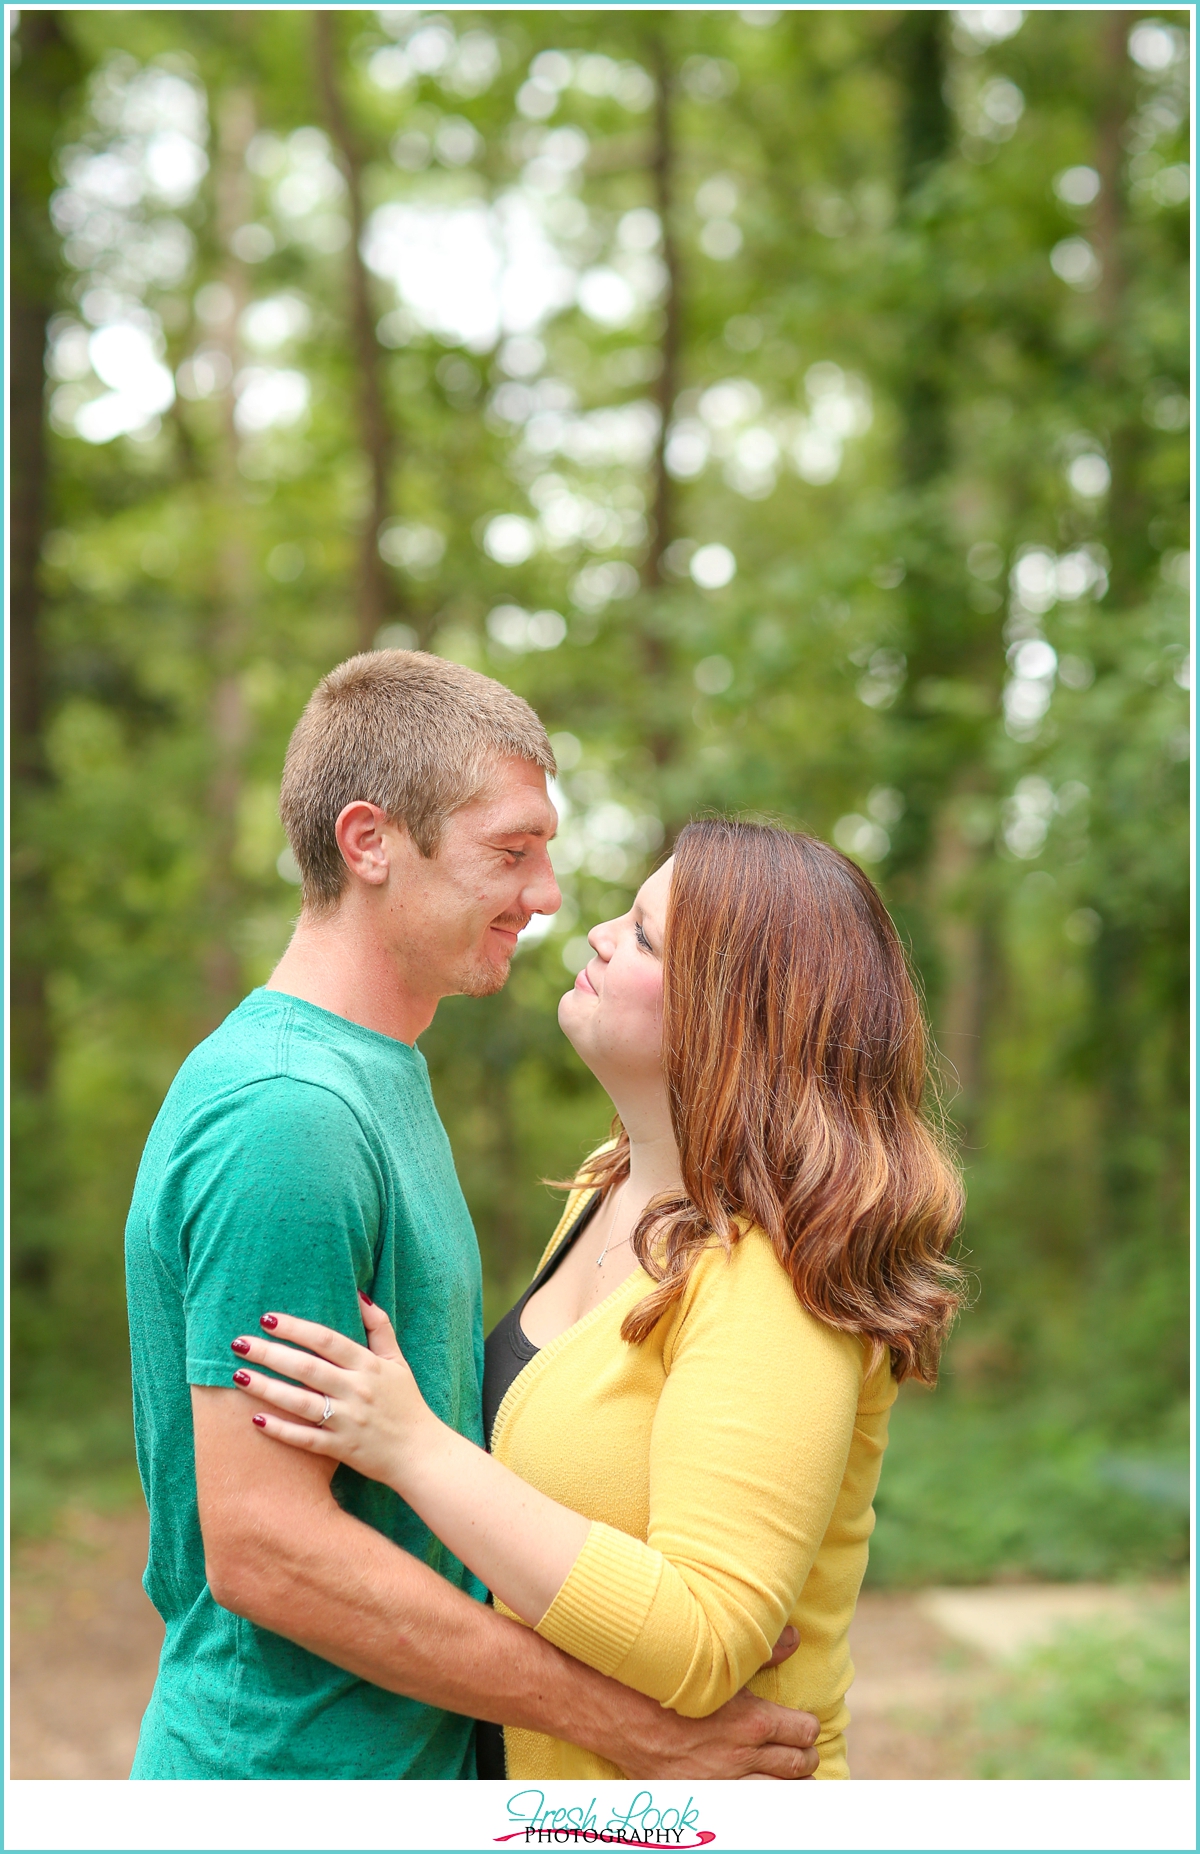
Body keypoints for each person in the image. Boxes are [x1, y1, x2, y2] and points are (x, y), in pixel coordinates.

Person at [124, 651, 822, 1781]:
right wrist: (623, 1720)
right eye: (511, 851)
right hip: (286, 1784)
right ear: (370, 844)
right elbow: (267, 1550)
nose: (549, 895)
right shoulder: (289, 1120)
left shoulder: (377, 1074)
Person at [228, 818, 966, 1780]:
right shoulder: (605, 1187)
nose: (597, 933)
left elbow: (705, 1642)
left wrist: (410, 1446)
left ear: (736, 1011)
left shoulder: (773, 1277)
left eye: (646, 935)